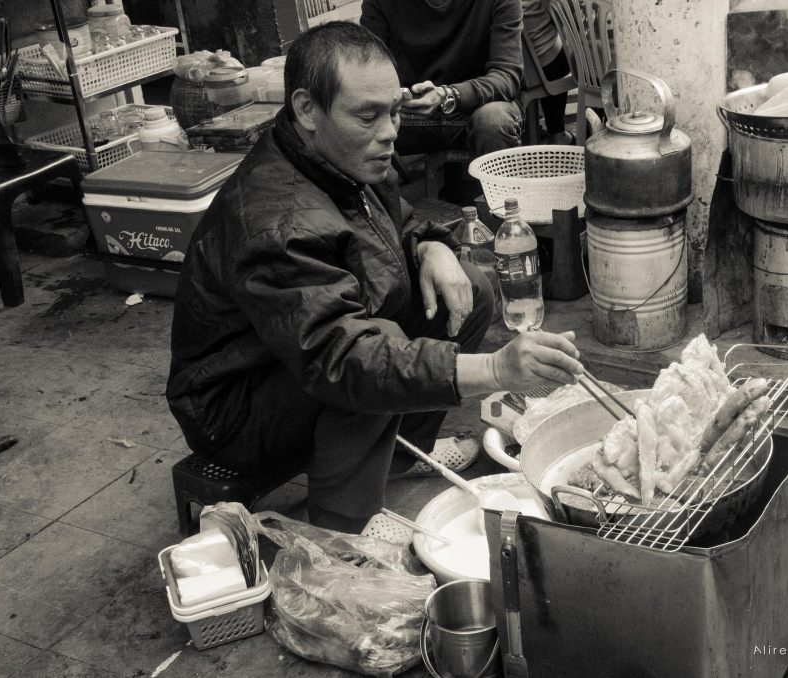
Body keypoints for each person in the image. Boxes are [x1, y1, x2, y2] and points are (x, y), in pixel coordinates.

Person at [166, 21, 583, 533]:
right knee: (376, 356)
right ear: (306, 110)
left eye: (394, 111)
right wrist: (495, 370)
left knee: (467, 289)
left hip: (292, 356)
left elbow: (397, 224)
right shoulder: (275, 219)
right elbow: (343, 359)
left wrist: (433, 246)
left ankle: (406, 456)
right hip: (235, 407)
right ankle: (344, 528)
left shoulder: (347, 153)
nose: (389, 132)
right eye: (368, 115)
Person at [359, 0, 524, 159]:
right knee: (351, 124)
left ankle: (502, 187)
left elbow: (506, 75)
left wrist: (449, 95)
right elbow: (366, 72)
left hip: (477, 109)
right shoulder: (380, 3)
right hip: (410, 116)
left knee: (492, 120)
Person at [522, 0, 575, 144]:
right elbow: (564, 14)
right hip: (548, 65)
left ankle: (546, 128)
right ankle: (558, 134)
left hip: (515, 67)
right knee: (562, 47)